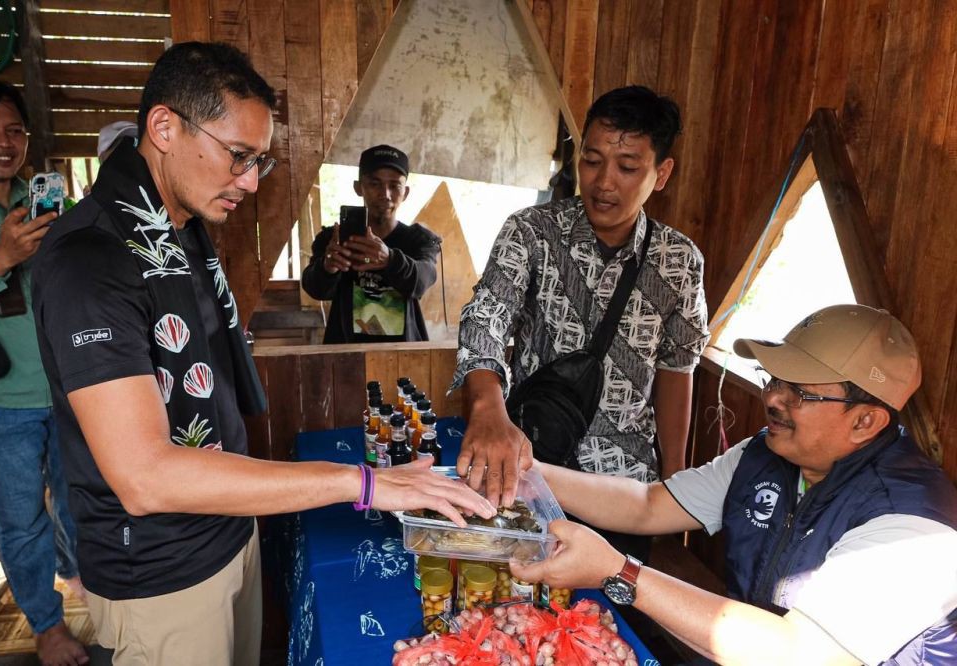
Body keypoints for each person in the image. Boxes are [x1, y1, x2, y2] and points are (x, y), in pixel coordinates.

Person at [30, 43, 493, 666]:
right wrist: (364, 483)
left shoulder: (179, 230)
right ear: (164, 128)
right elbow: (144, 477)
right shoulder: (90, 260)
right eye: (239, 157)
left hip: (224, 532)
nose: (249, 181)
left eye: (259, 162)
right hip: (162, 570)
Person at [512, 304, 957, 664]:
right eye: (775, 380)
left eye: (799, 391)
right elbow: (648, 504)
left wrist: (621, 571)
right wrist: (527, 469)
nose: (772, 398)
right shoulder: (765, 455)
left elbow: (800, 653)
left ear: (865, 421)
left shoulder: (914, 524)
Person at [452, 85, 709, 558]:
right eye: (591, 160)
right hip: (534, 475)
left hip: (627, 491)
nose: (603, 182)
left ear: (662, 173)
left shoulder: (680, 261)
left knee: (607, 624)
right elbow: (486, 317)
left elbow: (678, 368)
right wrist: (488, 407)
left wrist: (675, 482)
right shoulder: (531, 232)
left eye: (628, 167)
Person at [0, 75, 87, 665]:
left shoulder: (42, 200)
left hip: (66, 386)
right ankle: (47, 625)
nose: (3, 142)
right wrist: (2, 258)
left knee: (78, 497)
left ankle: (80, 577)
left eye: (14, 130)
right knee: (20, 519)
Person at [301, 144, 441, 343]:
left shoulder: (419, 240)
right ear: (359, 187)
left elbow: (423, 280)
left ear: (406, 192)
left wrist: (390, 260)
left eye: (394, 185)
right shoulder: (333, 238)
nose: (385, 193)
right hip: (346, 355)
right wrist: (327, 267)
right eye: (375, 183)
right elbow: (315, 289)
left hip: (404, 357)